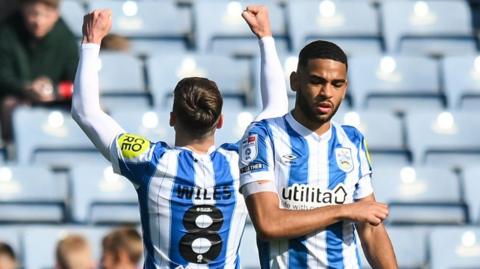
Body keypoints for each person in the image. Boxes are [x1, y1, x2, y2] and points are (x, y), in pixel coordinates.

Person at [72, 7, 287, 268]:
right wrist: (265, 36)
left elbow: (86, 112)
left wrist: (91, 42)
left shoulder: (150, 162)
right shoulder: (241, 162)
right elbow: (276, 109)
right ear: (220, 121)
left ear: (172, 118)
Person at [238, 6, 398, 268]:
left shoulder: (352, 140)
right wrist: (344, 210)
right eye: (316, 81)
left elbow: (370, 229)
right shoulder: (264, 136)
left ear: (345, 88)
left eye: (336, 84)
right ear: (295, 81)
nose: (327, 92)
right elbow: (268, 223)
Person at [0, 0, 78, 143]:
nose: (39, 21)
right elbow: (3, 76)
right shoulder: (7, 33)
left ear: (56, 15)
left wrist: (55, 90)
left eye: (46, 15)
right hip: (20, 99)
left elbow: (77, 80)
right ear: (23, 10)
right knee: (8, 105)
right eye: (33, 14)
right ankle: (13, 152)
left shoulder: (65, 37)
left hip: (57, 99)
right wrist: (26, 88)